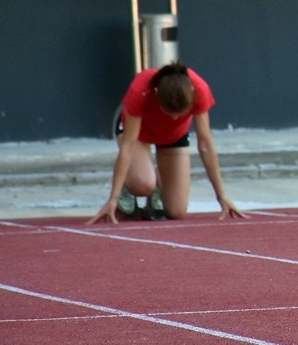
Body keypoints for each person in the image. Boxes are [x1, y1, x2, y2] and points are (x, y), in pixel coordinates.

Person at [89, 61, 247, 224]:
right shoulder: (141, 90)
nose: (173, 118)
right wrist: (113, 198)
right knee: (143, 184)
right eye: (169, 112)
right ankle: (127, 188)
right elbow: (128, 145)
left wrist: (221, 195)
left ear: (192, 93)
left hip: (174, 136)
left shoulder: (200, 89)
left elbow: (205, 143)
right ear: (156, 93)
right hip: (138, 134)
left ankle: (159, 183)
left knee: (177, 211)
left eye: (180, 114)